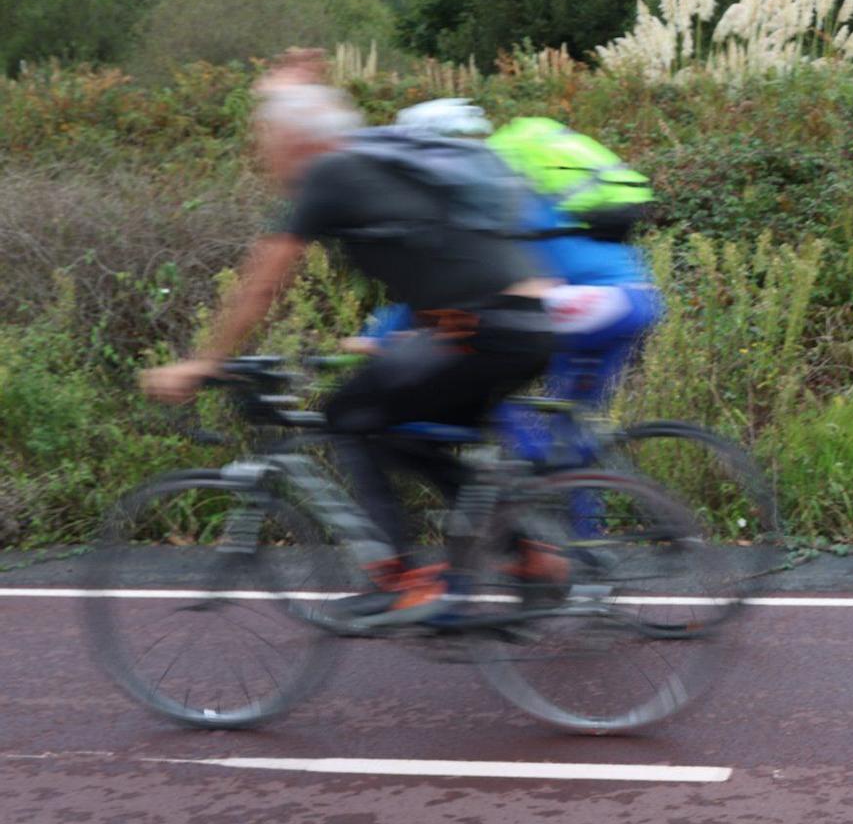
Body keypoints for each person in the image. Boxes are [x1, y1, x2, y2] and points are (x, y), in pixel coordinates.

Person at [142, 50, 560, 625]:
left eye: (266, 137)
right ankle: (530, 557)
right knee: (405, 436)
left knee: (348, 414)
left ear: (295, 141)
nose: (263, 152)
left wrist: (204, 361)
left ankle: (404, 580)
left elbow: (261, 286)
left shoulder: (329, 175)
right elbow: (440, 257)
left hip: (481, 331)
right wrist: (285, 85)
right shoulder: (381, 164)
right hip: (521, 322)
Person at [368, 99, 662, 466]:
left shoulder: (481, 189)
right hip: (636, 300)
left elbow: (433, 283)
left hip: (588, 302)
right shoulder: (516, 175)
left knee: (484, 355)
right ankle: (570, 512)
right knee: (570, 445)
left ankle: (529, 477)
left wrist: (380, 337)